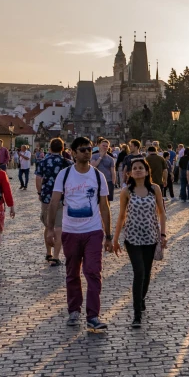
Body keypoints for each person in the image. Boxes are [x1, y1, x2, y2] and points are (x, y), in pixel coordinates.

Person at [49, 136, 113, 333]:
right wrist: (50, 229)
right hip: (70, 231)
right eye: (83, 149)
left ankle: (93, 315)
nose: (87, 152)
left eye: (89, 149)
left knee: (93, 272)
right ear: (74, 153)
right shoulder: (65, 175)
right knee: (72, 272)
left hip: (93, 230)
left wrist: (108, 235)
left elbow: (104, 206)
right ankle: (74, 310)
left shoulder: (97, 176)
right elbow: (54, 202)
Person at [112, 158, 166, 328]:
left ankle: (141, 298)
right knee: (139, 272)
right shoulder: (127, 191)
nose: (137, 170)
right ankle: (136, 315)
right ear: (129, 173)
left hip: (150, 237)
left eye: (140, 168)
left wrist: (163, 234)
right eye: (134, 168)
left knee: (147, 273)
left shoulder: (154, 189)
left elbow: (162, 213)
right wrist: (115, 239)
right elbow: (121, 216)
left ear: (147, 171)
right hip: (132, 238)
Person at [35, 138, 71, 266]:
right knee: (59, 228)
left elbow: (38, 179)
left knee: (47, 225)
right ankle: (56, 256)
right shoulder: (67, 163)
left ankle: (48, 252)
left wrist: (40, 193)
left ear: (49, 148)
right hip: (62, 198)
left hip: (47, 198)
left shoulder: (43, 161)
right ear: (63, 148)